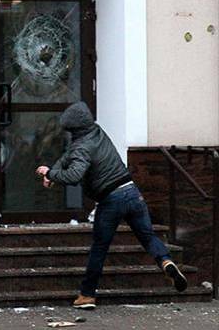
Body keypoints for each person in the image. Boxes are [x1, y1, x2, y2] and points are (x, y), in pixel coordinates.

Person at [35, 101, 187, 310]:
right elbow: (70, 154)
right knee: (148, 236)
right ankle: (166, 262)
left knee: (99, 247)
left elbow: (73, 175)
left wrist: (50, 174)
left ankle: (87, 295)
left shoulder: (82, 146)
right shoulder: (97, 132)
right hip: (132, 192)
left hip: (111, 199)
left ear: (74, 129)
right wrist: (55, 169)